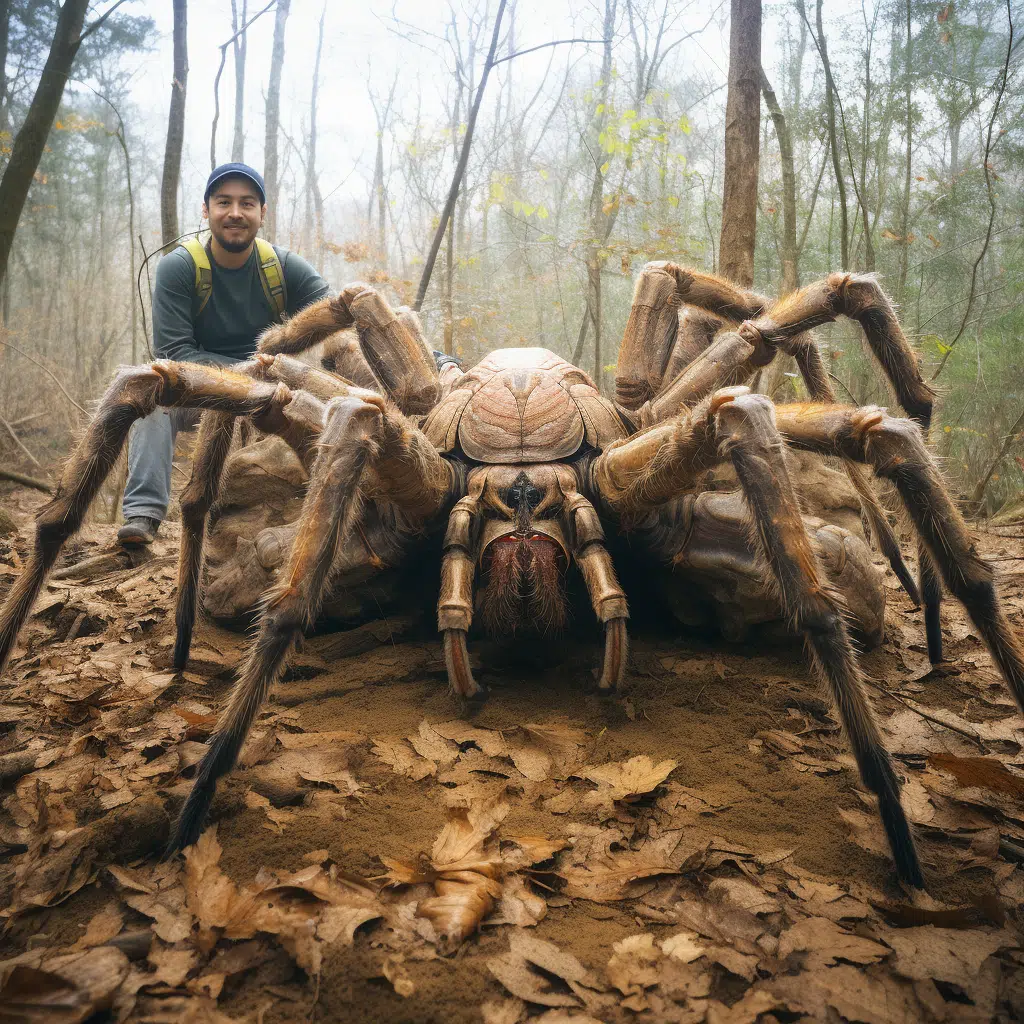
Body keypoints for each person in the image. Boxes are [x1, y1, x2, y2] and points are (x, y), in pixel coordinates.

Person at [118, 163, 330, 546]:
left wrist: (430, 355)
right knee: (151, 397)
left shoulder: (282, 268)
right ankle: (143, 515)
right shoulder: (179, 268)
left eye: (247, 203)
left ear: (262, 213)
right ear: (206, 210)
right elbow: (175, 354)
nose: (235, 212)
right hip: (201, 390)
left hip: (273, 395)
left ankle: (310, 520)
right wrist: (251, 376)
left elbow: (340, 318)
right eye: (224, 202)